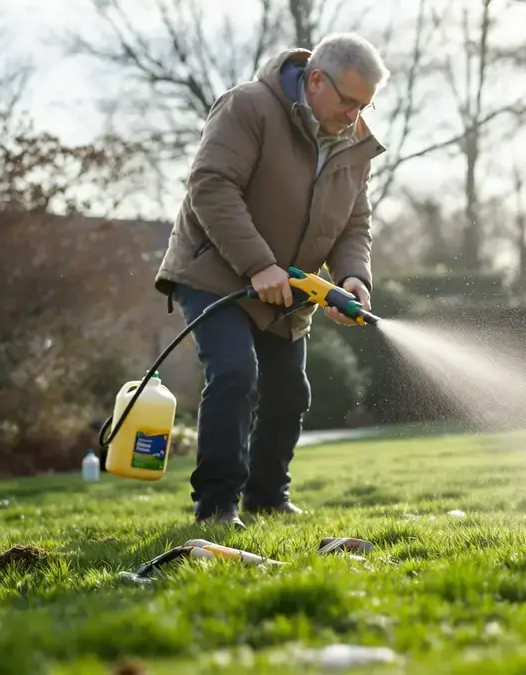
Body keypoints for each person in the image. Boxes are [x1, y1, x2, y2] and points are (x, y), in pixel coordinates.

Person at [153, 34, 389, 530]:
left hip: (287, 290)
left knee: (288, 394)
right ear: (316, 79)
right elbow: (211, 186)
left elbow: (353, 225)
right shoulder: (250, 107)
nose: (354, 116)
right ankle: (217, 506)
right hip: (216, 273)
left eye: (364, 105)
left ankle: (266, 496)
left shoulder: (355, 143)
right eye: (348, 102)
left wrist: (351, 276)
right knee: (236, 374)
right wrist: (259, 264)